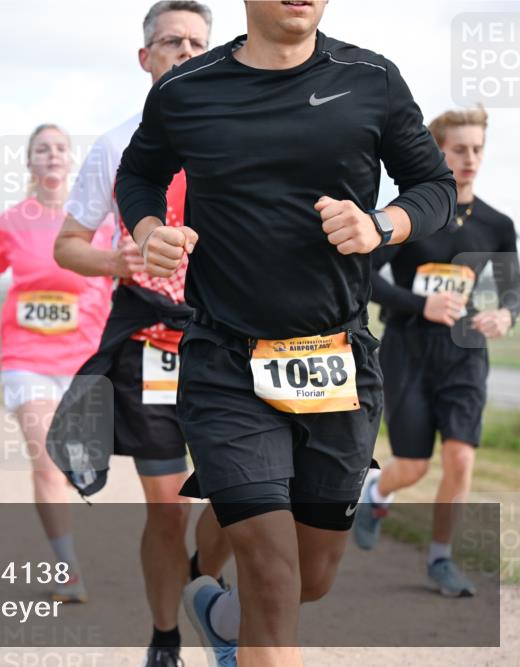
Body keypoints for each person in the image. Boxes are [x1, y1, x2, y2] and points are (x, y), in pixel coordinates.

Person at [115, 1, 456, 664]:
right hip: (225, 361)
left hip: (337, 361)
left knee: (311, 576)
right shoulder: (186, 89)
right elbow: (139, 174)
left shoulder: (372, 80)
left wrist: (382, 224)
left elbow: (433, 186)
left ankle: (217, 611)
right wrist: (151, 232)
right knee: (272, 574)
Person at [52, 3, 228, 664]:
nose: (185, 51)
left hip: (227, 345)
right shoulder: (117, 145)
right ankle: (164, 634)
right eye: (171, 42)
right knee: (166, 507)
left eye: (198, 43)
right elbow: (69, 246)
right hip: (150, 344)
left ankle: (198, 580)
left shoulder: (242, 138)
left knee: (239, 498)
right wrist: (116, 259)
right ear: (145, 56)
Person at [0, 123, 114, 605]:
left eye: (60, 148)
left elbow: (125, 270)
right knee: (47, 465)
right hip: (28, 357)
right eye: (42, 149)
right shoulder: (14, 220)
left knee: (81, 466)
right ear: (30, 163)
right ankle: (68, 569)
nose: (53, 155)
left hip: (87, 359)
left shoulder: (101, 218)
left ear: (70, 160)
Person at [354, 106, 519, 597]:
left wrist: (506, 315)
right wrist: (421, 305)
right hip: (409, 355)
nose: (470, 159)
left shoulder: (495, 224)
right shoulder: (413, 215)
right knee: (414, 467)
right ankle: (378, 492)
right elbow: (364, 281)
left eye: (477, 149)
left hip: (466, 356)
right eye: (460, 149)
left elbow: (511, 289)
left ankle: (441, 559)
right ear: (439, 153)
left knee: (461, 459)